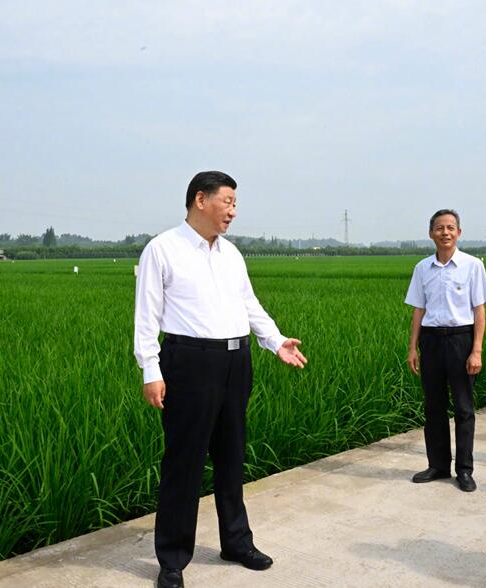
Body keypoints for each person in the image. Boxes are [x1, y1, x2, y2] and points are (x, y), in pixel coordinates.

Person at [134, 171, 308, 588]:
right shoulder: (163, 248)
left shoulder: (231, 254)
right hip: (189, 363)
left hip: (236, 362)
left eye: (234, 203)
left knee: (231, 456)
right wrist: (151, 370)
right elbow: (146, 319)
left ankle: (236, 541)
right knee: (184, 462)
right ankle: (173, 559)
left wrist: (276, 340)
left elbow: (249, 304)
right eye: (227, 201)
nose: (233, 210)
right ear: (200, 200)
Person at [405, 209, 486, 492]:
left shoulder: (472, 266)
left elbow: (479, 311)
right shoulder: (422, 268)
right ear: (431, 233)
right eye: (440, 228)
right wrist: (412, 348)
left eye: (451, 227)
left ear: (459, 233)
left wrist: (476, 350)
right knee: (434, 407)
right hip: (431, 342)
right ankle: (438, 465)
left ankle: (464, 470)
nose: (445, 232)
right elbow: (419, 310)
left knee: (464, 408)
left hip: (461, 340)